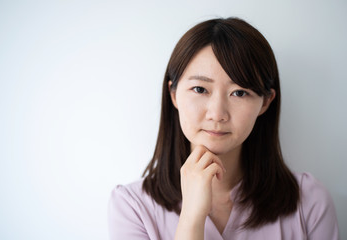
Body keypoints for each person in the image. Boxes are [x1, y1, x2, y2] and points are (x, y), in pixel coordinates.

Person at [108, 17, 340, 240]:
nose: (217, 114)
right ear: (173, 94)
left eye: (239, 93)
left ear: (266, 102)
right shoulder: (132, 207)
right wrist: (191, 219)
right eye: (200, 89)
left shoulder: (309, 202)